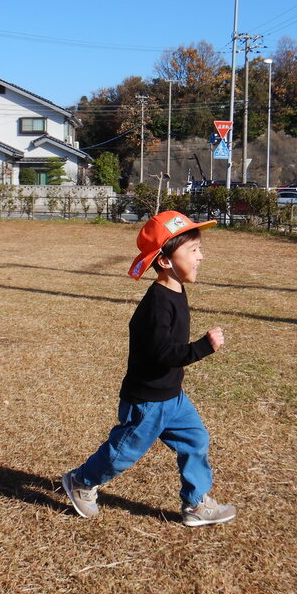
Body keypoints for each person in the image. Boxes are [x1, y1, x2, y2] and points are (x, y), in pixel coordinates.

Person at [62, 211, 236, 527]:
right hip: (148, 401)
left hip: (172, 396)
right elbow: (162, 353)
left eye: (199, 249)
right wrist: (202, 348)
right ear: (166, 261)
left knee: (196, 440)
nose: (201, 256)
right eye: (193, 250)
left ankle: (196, 504)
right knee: (122, 454)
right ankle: (81, 482)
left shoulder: (176, 289)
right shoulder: (157, 303)